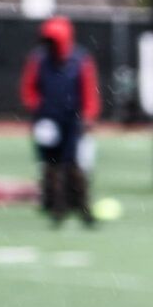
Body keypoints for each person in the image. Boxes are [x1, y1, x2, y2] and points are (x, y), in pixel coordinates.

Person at [19, 15, 99, 227]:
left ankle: (81, 206)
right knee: (50, 165)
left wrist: (89, 115)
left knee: (73, 164)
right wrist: (38, 109)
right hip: (47, 120)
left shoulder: (80, 59)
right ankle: (55, 206)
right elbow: (29, 88)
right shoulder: (38, 59)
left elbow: (89, 90)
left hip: (72, 120)